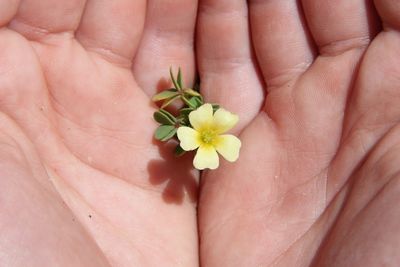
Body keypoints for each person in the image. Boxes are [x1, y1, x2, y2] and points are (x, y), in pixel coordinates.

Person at [0, 0, 399, 266]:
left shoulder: (211, 132)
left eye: (207, 136)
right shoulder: (202, 132)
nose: (207, 139)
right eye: (205, 136)